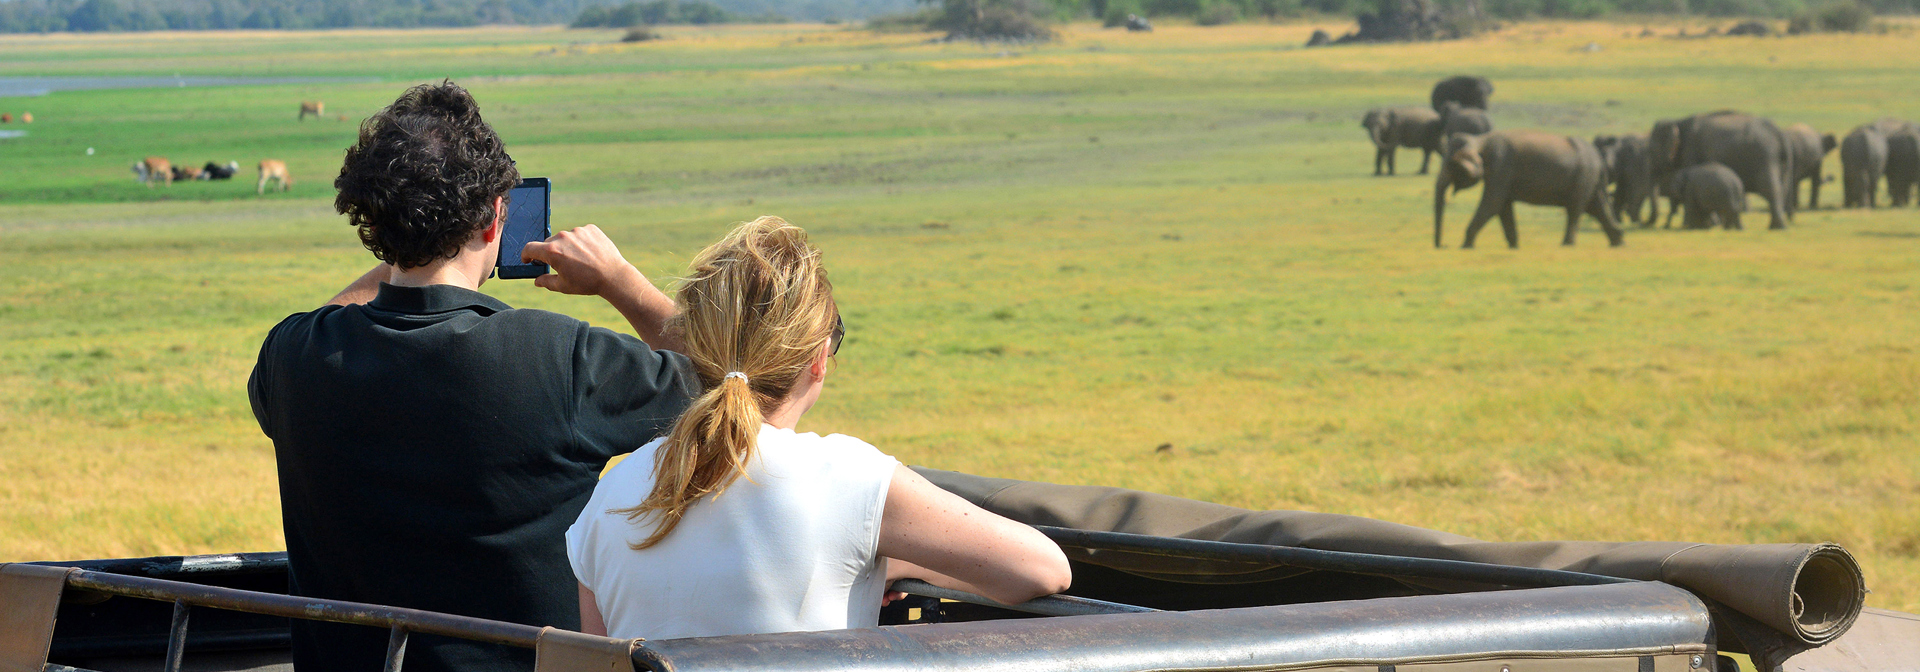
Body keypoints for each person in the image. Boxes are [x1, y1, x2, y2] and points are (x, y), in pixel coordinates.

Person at [248, 81, 697, 672]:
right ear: (495, 221)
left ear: (374, 224)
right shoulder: (558, 358)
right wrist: (617, 278)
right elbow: (729, 385)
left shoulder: (292, 358)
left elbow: (335, 316)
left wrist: (405, 239)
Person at [566, 216, 1072, 640]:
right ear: (817, 359)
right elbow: (1044, 569)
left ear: (692, 353)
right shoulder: (847, 477)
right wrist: (886, 557)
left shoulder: (614, 491)